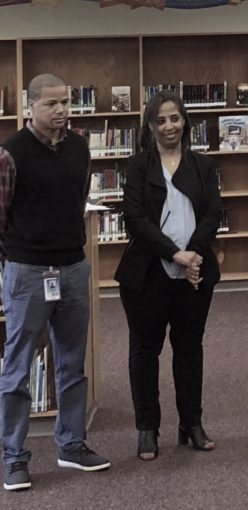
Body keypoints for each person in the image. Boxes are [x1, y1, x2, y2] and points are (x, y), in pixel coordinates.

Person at [0, 73, 110, 491]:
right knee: (18, 366)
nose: (61, 110)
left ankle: (72, 443)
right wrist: (17, 261)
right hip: (27, 271)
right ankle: (14, 457)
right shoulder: (11, 153)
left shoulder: (80, 147)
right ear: (31, 106)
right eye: (51, 103)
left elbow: (78, 199)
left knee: (72, 362)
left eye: (65, 102)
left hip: (73, 268)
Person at [115, 90, 222, 460]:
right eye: (160, 120)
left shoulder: (203, 165)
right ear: (150, 126)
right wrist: (175, 254)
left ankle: (191, 423)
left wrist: (193, 257)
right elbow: (134, 219)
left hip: (195, 273)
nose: (169, 126)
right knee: (145, 350)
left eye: (175, 118)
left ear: (185, 121)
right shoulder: (137, 166)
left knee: (190, 348)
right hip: (147, 274)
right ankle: (147, 428)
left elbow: (213, 213)